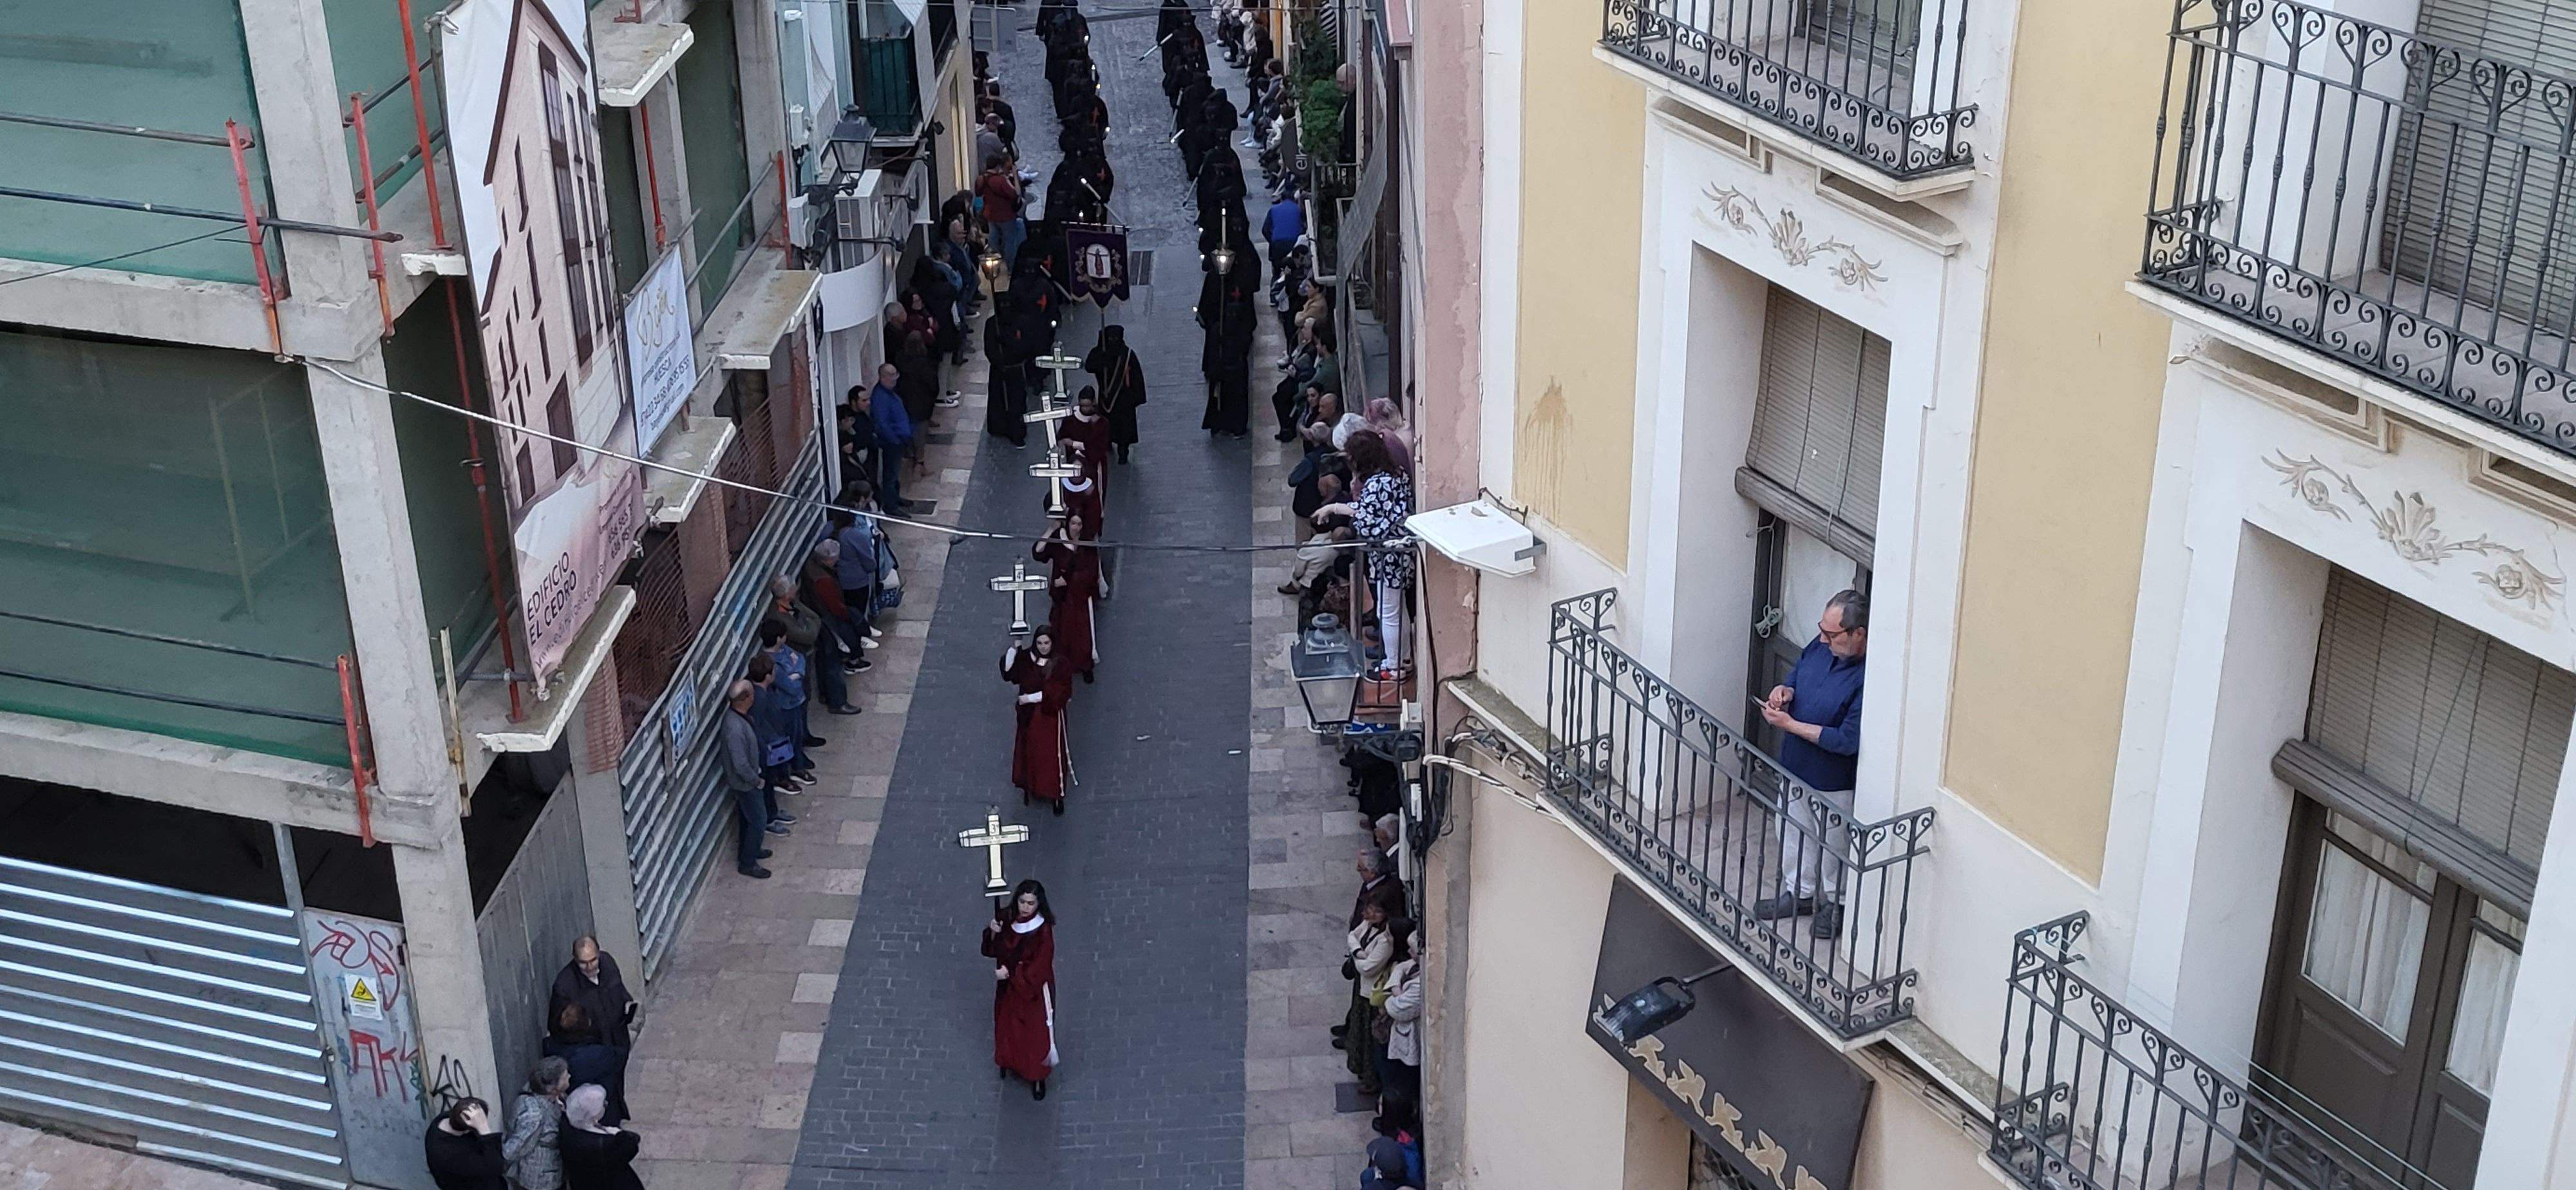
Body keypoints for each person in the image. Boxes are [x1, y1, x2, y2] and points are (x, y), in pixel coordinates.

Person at [1752, 589, 1868, 942]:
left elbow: (1846, 740)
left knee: (1835, 846)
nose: (1823, 639)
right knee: (1791, 831)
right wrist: (1783, 692)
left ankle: (1837, 904)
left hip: (1833, 780)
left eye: (1832, 635)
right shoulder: (1820, 649)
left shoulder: (1868, 676)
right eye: (1822, 630)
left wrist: (1789, 726)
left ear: (1857, 634)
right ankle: (1799, 893)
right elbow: (1797, 676)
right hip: (1795, 765)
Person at [1313, 430, 1412, 677]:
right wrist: (1335, 507)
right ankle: (1403, 658)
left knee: (1388, 613)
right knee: (1397, 611)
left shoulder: (1378, 483)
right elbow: (1370, 509)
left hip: (1389, 558)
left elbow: (1367, 523)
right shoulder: (1395, 474)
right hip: (1399, 555)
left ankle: (1393, 667)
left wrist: (1343, 514)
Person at [981, 879, 1059, 1100]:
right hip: (1009, 990)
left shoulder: (1043, 931)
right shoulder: (1006, 917)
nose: (1025, 907)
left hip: (1031, 992)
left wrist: (1012, 975)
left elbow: (1041, 965)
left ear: (1038, 904)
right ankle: (1009, 1061)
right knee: (1008, 1029)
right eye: (1023, 901)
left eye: (1030, 903)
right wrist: (993, 932)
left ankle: (1037, 1077)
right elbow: (992, 948)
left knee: (1034, 1036)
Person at [1002, 625, 1074, 814]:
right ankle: (1031, 786)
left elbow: (1061, 691)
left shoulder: (1061, 664)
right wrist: (1014, 650)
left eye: (1047, 643)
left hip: (1049, 717)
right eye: (1040, 643)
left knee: (1051, 756)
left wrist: (1031, 698)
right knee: (1030, 753)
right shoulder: (1027, 658)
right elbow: (1012, 674)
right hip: (1029, 717)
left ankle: (1056, 794)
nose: (1043, 647)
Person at [1034, 514, 1104, 684]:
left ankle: (1085, 666)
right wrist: (1051, 529)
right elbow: (1039, 553)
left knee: (1082, 636)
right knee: (1061, 634)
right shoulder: (1058, 540)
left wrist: (1068, 580)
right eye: (1073, 523)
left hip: (1079, 599)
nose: (1076, 528)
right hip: (1062, 600)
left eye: (1079, 524)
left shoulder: (1087, 545)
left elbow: (1091, 572)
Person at [719, 679, 777, 879]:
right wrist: (756, 780)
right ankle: (748, 863)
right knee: (759, 820)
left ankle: (750, 850)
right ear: (746, 698)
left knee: (748, 818)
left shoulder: (740, 718)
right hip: (746, 784)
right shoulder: (733, 729)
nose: (754, 696)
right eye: (752, 693)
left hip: (750, 779)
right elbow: (740, 764)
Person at [542, 1003, 629, 1126]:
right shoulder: (598, 1054)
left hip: (568, 1115)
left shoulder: (550, 1046)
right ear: (587, 1025)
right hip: (597, 1113)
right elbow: (620, 1056)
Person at [1341, 900, 1394, 1093]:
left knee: (1369, 1038)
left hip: (1372, 995)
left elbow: (1368, 968)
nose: (1369, 914)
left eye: (1376, 911)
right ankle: (1361, 1070)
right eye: (1370, 909)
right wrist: (1359, 952)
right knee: (1358, 1032)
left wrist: (1357, 955)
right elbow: (1352, 936)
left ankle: (1372, 1079)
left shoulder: (1386, 940)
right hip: (1361, 989)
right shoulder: (1368, 926)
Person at [548, 937, 637, 1052]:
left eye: (593, 960)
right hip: (593, 1052)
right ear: (575, 959)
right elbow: (557, 1029)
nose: (590, 967)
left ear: (599, 953)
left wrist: (627, 1004)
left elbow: (619, 989)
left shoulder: (608, 963)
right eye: (583, 963)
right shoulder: (564, 986)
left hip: (619, 1042)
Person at [558, 1084, 645, 1190]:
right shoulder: (604, 1144)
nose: (606, 1105)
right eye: (603, 1104)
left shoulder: (568, 1129)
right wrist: (618, 1134)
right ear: (593, 1113)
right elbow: (631, 1147)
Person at [502, 1057, 570, 1190]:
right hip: (539, 1183)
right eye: (564, 1076)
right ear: (553, 1087)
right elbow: (510, 1152)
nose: (569, 1076)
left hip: (553, 1176)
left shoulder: (545, 1096)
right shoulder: (535, 1116)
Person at [1378, 926, 1423, 1120]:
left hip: (1408, 1037)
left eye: (1412, 950)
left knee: (1402, 1082)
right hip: (1399, 1032)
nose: (1409, 953)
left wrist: (1390, 999)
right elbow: (1399, 968)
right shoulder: (1412, 966)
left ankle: (1398, 1118)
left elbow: (1397, 1009)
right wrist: (1396, 990)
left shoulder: (1419, 984)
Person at [1084, 325, 1146, 464]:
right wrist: (1102, 358)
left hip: (1124, 399)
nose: (1114, 341)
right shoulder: (1100, 352)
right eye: (1110, 338)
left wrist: (1136, 398)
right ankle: (1107, 444)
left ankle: (1123, 452)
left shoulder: (1127, 355)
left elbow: (1136, 377)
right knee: (1107, 425)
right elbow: (1089, 366)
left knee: (1124, 428)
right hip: (1105, 398)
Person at [858, 372, 918, 515]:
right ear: (883, 377)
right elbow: (882, 424)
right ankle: (891, 506)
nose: (895, 378)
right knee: (890, 474)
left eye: (896, 375)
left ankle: (895, 498)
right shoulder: (881, 397)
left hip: (899, 439)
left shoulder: (890, 393)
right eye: (891, 375)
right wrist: (895, 440)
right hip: (891, 442)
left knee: (895, 473)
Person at [424, 1098, 506, 1189]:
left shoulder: (442, 1121)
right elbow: (496, 1167)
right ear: (468, 1131)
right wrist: (483, 1128)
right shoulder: (453, 1156)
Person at [980, 155, 1027, 267]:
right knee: (1009, 242)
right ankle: (1011, 267)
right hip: (1005, 216)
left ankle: (994, 265)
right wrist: (1013, 177)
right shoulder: (1000, 181)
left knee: (993, 239)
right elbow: (1016, 194)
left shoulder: (983, 178)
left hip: (990, 215)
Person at [1262, 189, 1304, 272]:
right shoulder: (1298, 209)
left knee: (1277, 270)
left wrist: (1273, 241)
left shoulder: (1273, 209)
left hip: (1277, 245)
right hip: (1294, 243)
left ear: (1281, 199)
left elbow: (1265, 230)